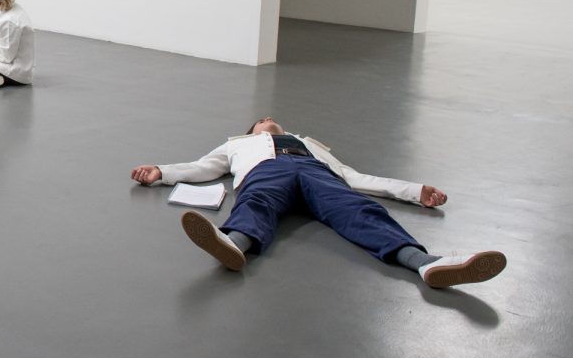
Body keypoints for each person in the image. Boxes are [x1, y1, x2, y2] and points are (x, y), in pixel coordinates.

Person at [129, 117, 508, 289]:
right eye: (260, 120)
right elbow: (203, 167)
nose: (268, 120)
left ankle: (426, 264)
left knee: (359, 210)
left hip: (315, 173)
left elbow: (354, 177)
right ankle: (232, 244)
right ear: (252, 131)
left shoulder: (309, 144)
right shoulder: (237, 145)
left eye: (272, 120)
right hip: (266, 172)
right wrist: (161, 171)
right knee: (257, 201)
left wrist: (415, 191)